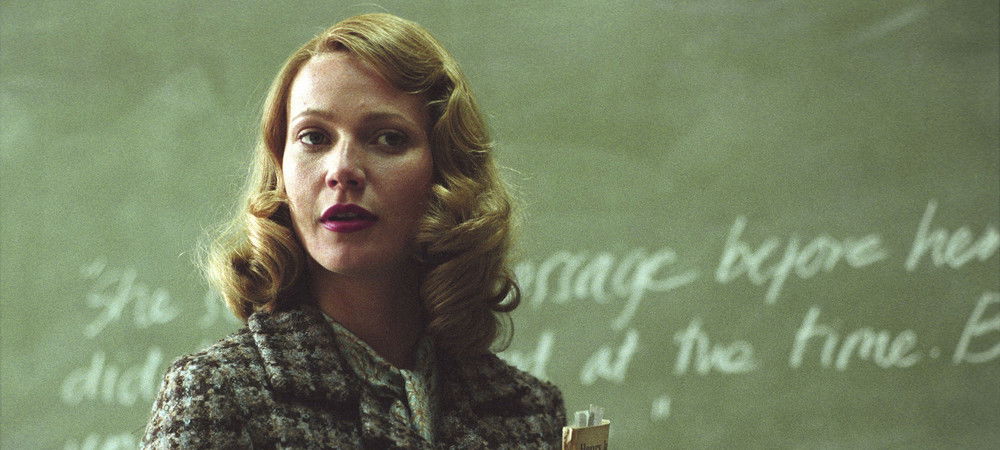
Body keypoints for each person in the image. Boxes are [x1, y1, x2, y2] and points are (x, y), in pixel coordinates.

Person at [141, 12, 566, 449]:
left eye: (388, 138)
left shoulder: (531, 412)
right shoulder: (217, 393)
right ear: (280, 172)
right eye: (313, 137)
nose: (342, 169)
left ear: (444, 171)